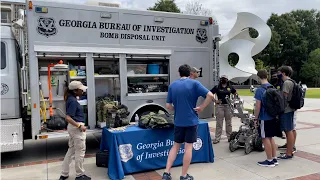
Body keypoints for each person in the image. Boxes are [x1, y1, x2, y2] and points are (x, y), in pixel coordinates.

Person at [162, 64, 214, 180]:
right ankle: (184, 175)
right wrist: (201, 107)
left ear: (178, 73)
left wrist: (177, 108)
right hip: (191, 121)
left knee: (175, 146)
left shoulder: (172, 85)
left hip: (178, 121)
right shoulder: (194, 84)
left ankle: (166, 173)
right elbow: (210, 95)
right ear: (190, 73)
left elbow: (168, 106)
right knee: (188, 148)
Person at [60, 81, 91, 180]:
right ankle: (80, 175)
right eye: (81, 89)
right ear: (75, 91)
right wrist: (79, 126)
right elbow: (68, 118)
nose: (83, 91)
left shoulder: (70, 98)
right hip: (77, 129)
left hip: (72, 128)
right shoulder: (73, 101)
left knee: (71, 150)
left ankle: (64, 174)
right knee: (80, 152)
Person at [254, 70, 278, 167]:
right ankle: (274, 158)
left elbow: (258, 106)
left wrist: (256, 118)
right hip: (272, 116)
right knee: (271, 137)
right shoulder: (272, 87)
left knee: (265, 138)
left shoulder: (260, 90)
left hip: (264, 117)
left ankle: (269, 160)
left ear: (259, 77)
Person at [210, 75, 237, 144]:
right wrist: (215, 100)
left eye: (224, 79)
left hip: (228, 106)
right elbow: (209, 94)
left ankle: (229, 137)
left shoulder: (230, 87)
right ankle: (217, 138)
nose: (223, 80)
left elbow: (235, 93)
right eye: (222, 79)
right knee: (219, 123)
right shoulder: (217, 87)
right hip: (220, 106)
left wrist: (233, 101)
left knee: (228, 123)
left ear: (227, 80)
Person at [277, 66, 296, 160]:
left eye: (279, 72)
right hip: (291, 109)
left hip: (286, 110)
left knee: (288, 131)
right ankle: (290, 151)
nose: (278, 74)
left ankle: (289, 153)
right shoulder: (292, 81)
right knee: (290, 130)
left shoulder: (286, 83)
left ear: (283, 73)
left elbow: (283, 98)